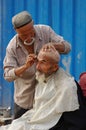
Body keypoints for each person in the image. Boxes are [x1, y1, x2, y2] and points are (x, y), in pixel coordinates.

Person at [3, 10, 71, 119]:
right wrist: (25, 67)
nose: (29, 36)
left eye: (31, 31)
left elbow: (67, 47)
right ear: (16, 31)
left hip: (49, 100)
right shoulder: (12, 47)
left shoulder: (45, 31)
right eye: (24, 34)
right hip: (25, 102)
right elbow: (7, 75)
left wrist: (54, 45)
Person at [0, 44, 83, 130]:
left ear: (55, 67)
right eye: (37, 61)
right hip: (36, 118)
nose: (37, 67)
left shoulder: (67, 86)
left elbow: (74, 121)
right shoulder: (42, 77)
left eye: (43, 62)